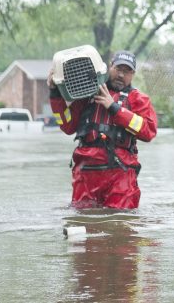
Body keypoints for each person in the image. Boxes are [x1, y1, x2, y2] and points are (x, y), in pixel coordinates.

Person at [48, 50, 157, 209]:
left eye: (127, 71)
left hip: (120, 173)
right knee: (82, 224)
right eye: (118, 69)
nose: (121, 75)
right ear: (109, 67)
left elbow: (148, 131)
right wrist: (55, 93)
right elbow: (67, 126)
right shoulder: (87, 94)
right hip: (86, 173)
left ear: (133, 74)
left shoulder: (138, 99)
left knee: (120, 227)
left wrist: (114, 108)